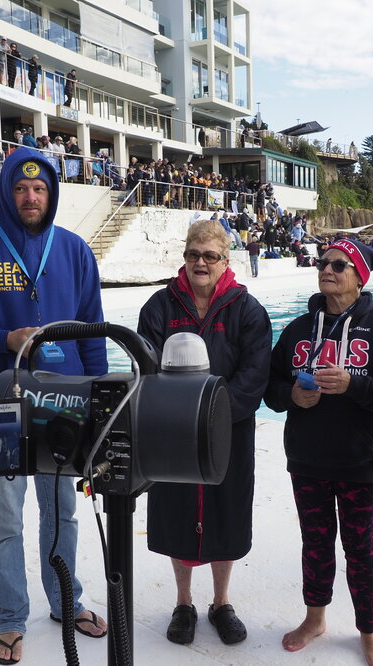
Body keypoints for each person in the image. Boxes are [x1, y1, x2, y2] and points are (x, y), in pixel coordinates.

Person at [0, 147, 108, 665]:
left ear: (52, 193)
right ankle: (11, 617)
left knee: (63, 513)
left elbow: (94, 331)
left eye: (39, 189)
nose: (30, 197)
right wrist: (2, 339)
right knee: (5, 519)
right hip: (4, 405)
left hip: (64, 404)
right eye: (20, 188)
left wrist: (100, 399)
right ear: (6, 192)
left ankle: (65, 600)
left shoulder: (76, 250)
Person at [265, 238, 373, 666]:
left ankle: (369, 631)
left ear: (360, 277)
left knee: (361, 551)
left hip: (363, 461)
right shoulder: (296, 328)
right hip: (308, 459)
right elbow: (269, 391)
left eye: (339, 265)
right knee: (316, 544)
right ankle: (315, 619)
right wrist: (291, 394)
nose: (327, 269)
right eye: (323, 263)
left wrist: (353, 385)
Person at [137, 219, 271, 647]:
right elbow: (145, 371)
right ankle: (183, 602)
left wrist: (210, 420)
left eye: (210, 255)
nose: (200, 262)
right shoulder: (159, 306)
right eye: (193, 253)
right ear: (185, 256)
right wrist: (179, 419)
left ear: (224, 260)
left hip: (227, 436)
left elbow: (254, 377)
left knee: (226, 513)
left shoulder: (247, 311)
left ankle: (221, 602)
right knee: (177, 514)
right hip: (172, 436)